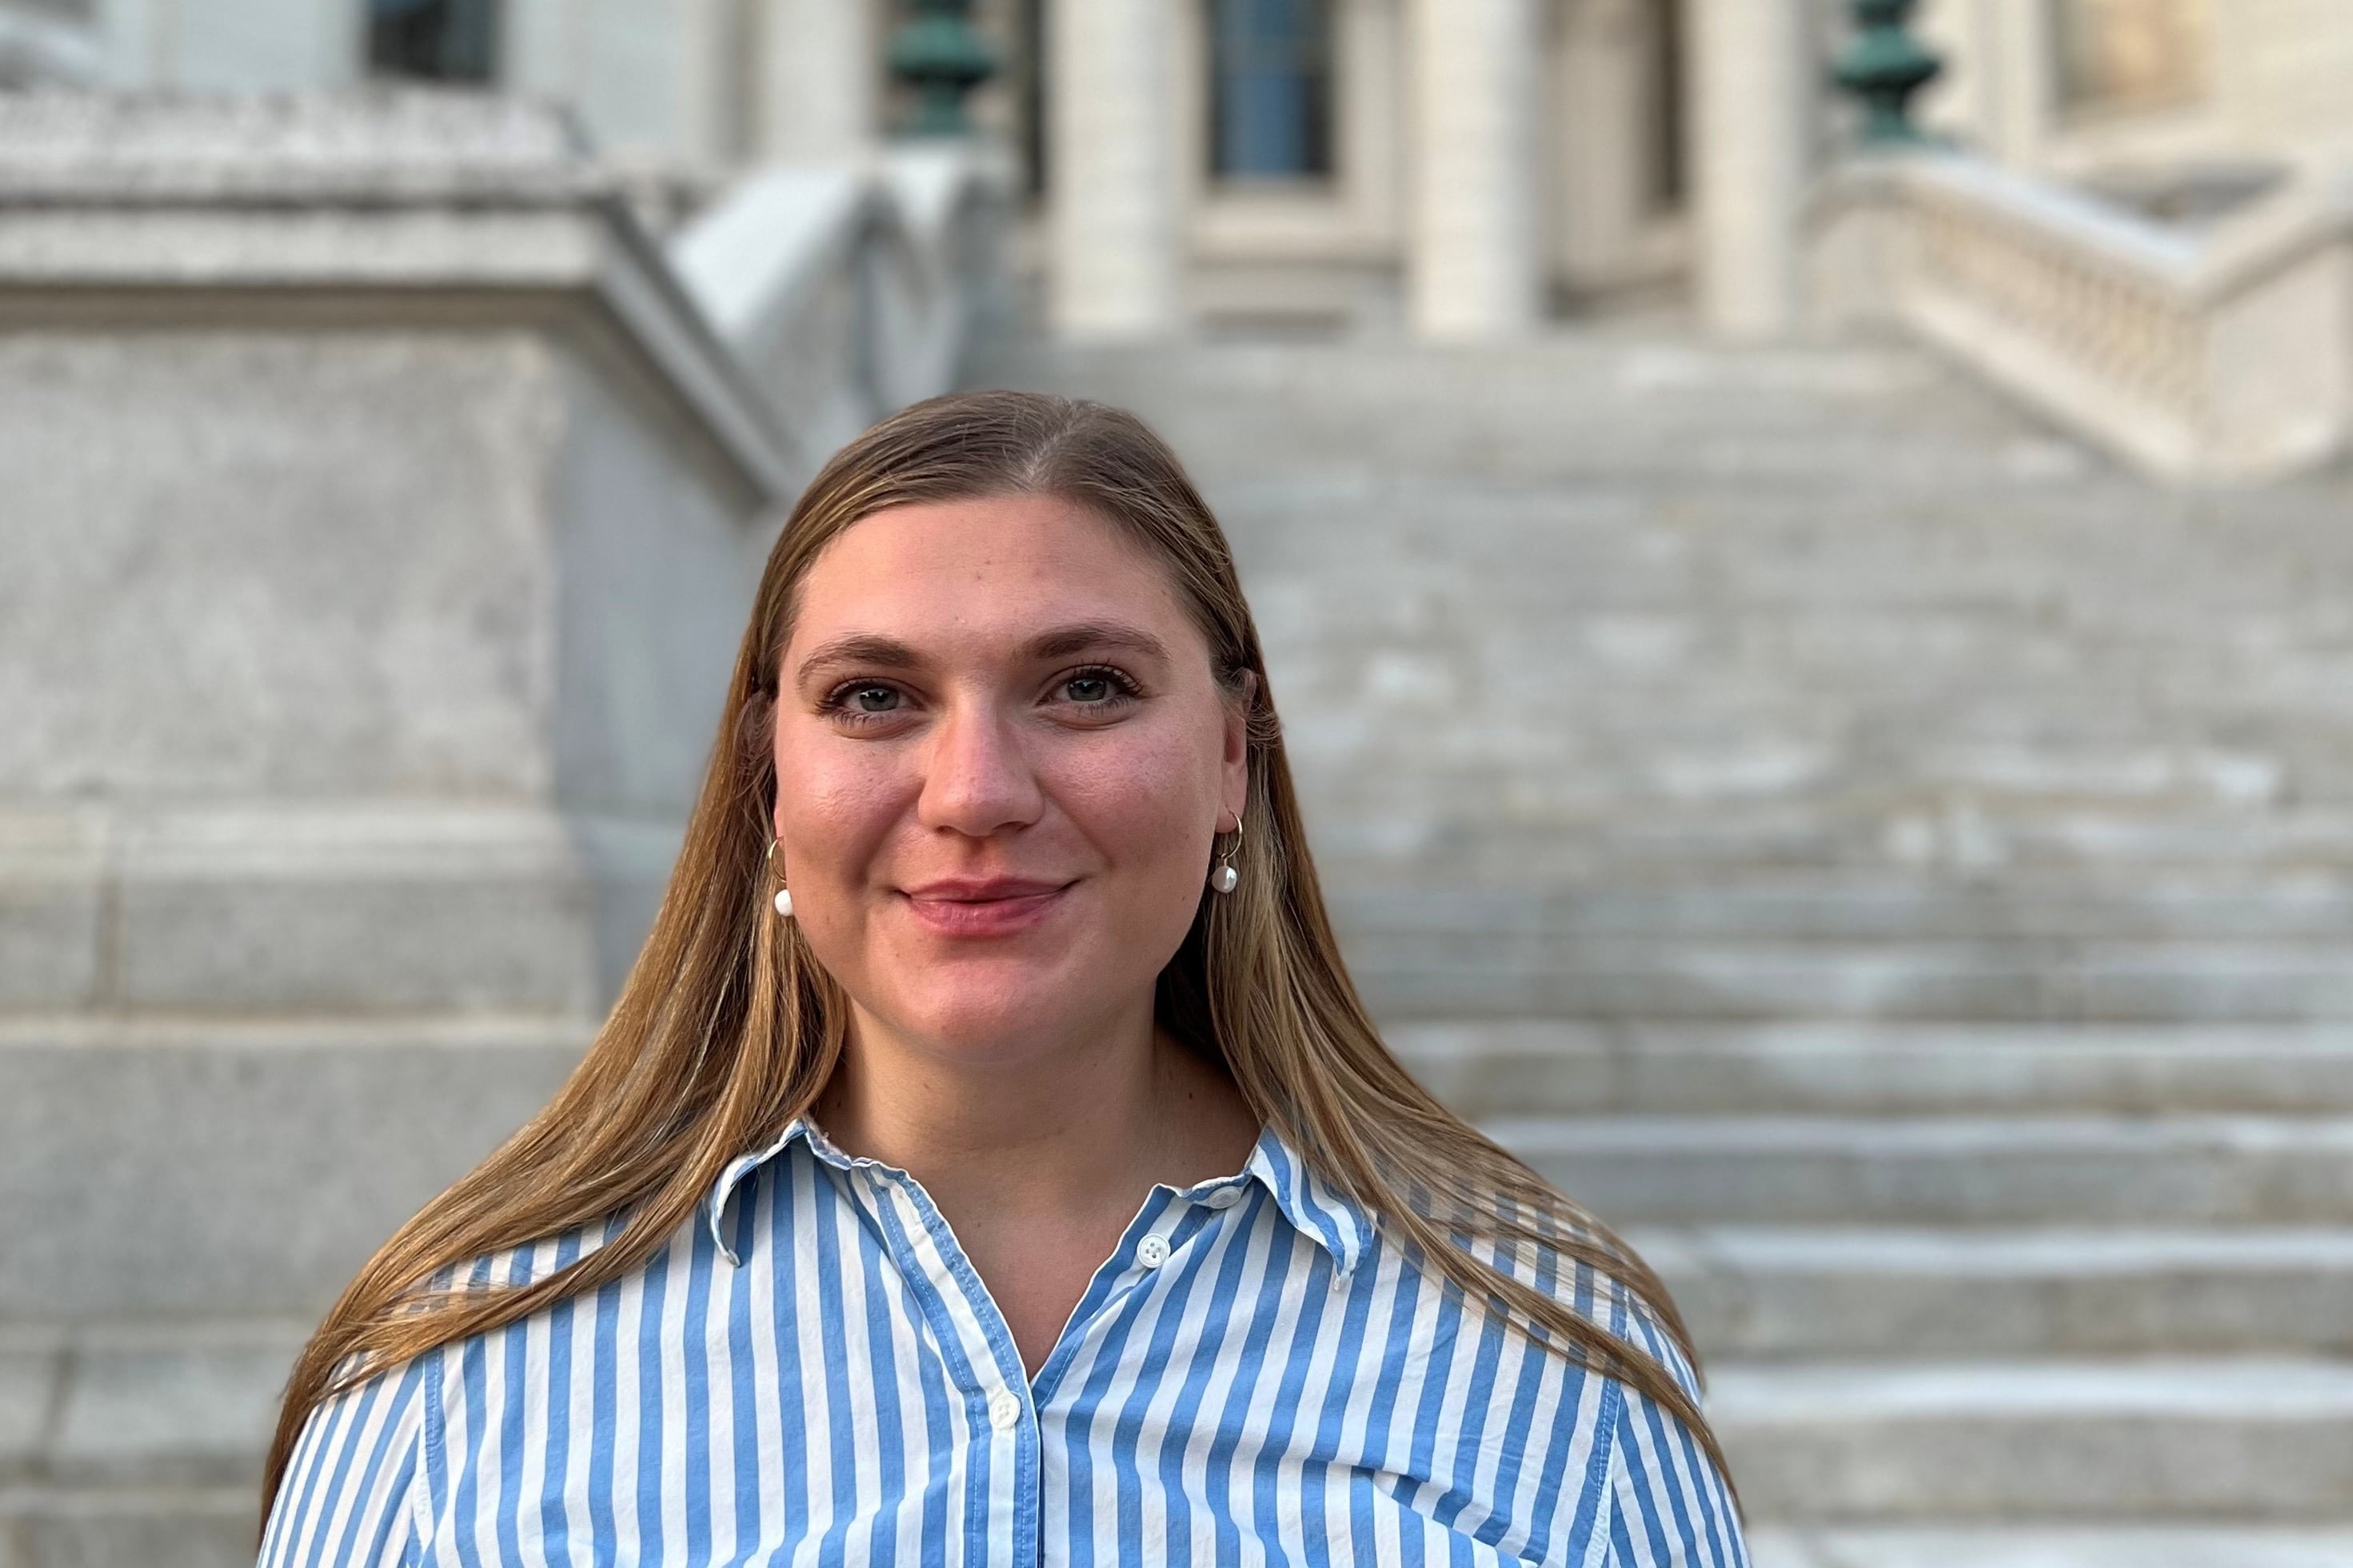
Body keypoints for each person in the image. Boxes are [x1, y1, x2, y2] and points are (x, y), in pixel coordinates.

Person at [258, 391, 1746, 1566]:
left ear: (1233, 752)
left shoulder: (1548, 1362)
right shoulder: (451, 1380)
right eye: (875, 698)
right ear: (767, 771)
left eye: (1084, 685)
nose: (974, 789)